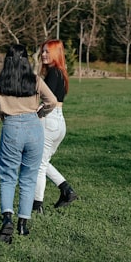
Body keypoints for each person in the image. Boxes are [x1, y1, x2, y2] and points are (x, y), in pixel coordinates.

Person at [0, 44, 57, 243]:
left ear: (7, 60)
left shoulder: (1, 83)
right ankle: (23, 224)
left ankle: (7, 217)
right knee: (29, 177)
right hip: (34, 128)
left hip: (11, 129)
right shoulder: (35, 80)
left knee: (7, 176)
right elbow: (52, 100)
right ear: (25, 60)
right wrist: (40, 113)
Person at [32, 39, 78, 213]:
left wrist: (34, 114)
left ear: (56, 53)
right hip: (59, 122)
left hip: (49, 120)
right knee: (43, 161)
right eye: (42, 51)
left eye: (47, 51)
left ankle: (37, 206)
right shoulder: (61, 72)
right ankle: (66, 190)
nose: (43, 54)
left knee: (39, 165)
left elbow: (47, 101)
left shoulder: (53, 73)